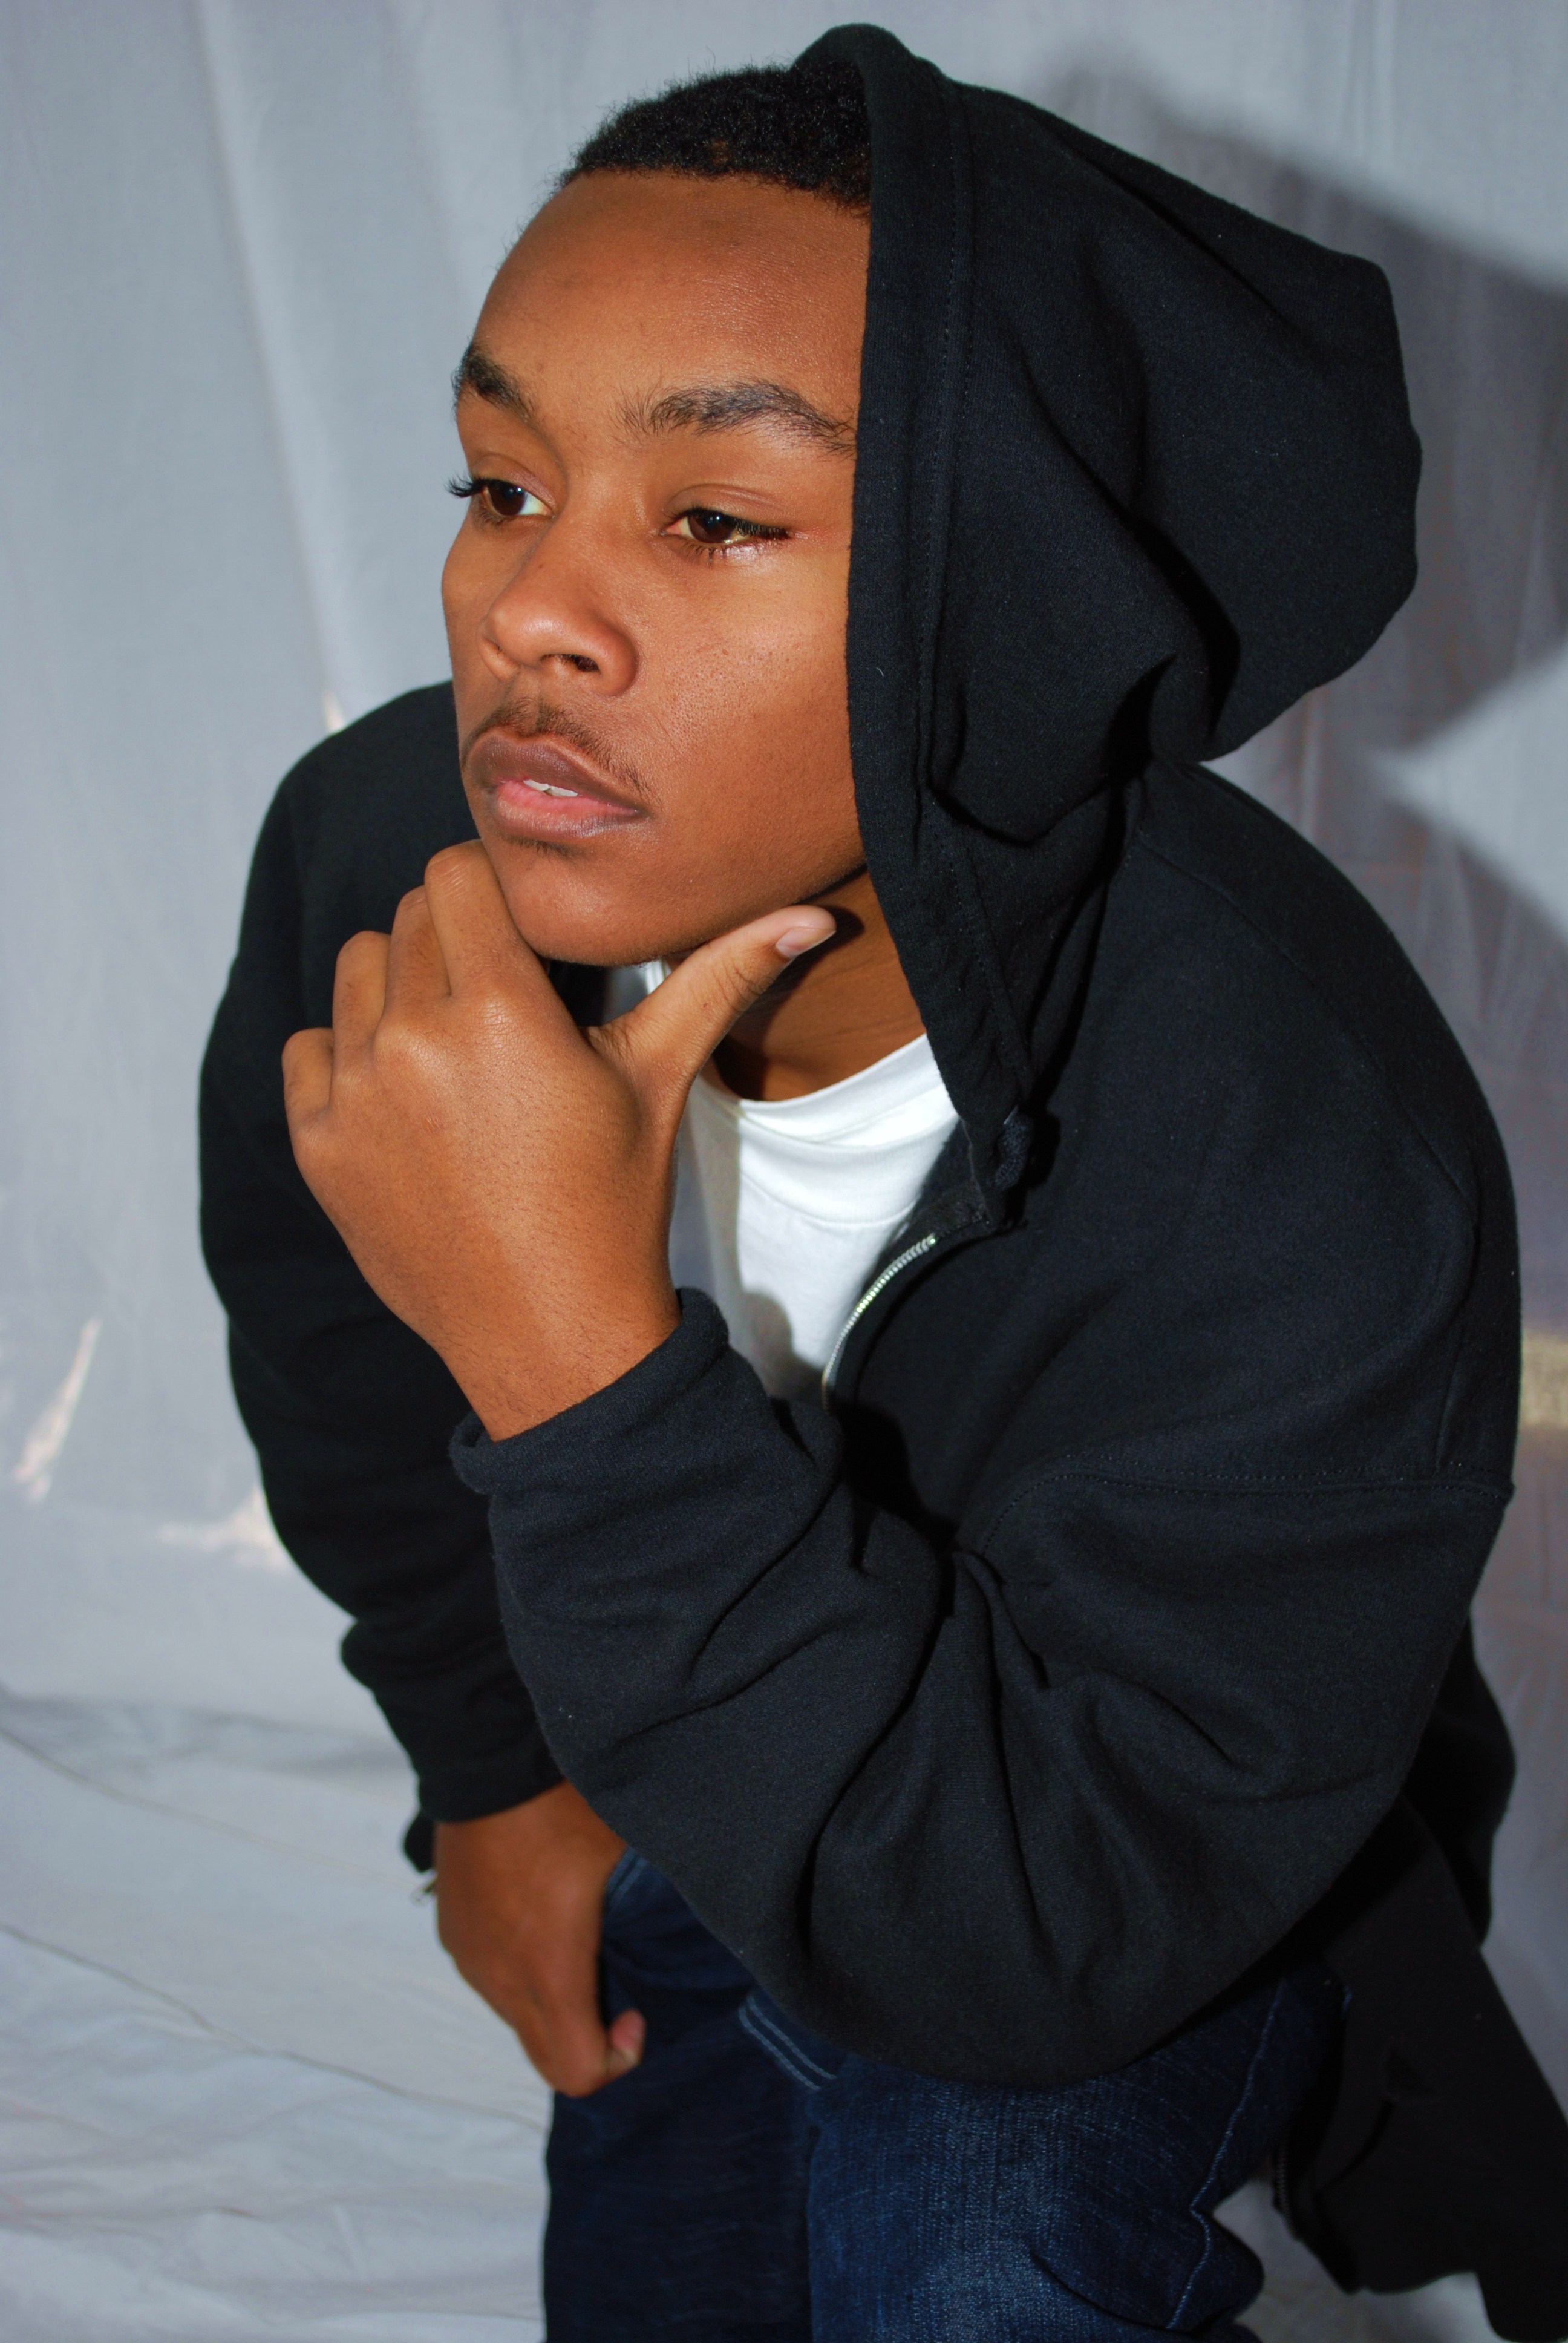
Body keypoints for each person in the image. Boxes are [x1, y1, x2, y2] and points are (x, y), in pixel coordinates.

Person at [200, 27, 1568, 2341]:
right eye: (501, 483)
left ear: (1003, 593)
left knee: (977, 2244)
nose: (529, 617)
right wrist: (497, 1772)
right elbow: (324, 1329)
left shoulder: (1306, 1160)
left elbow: (1041, 1931)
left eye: (715, 520)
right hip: (685, 1753)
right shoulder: (393, 870)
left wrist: (575, 1357)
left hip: (1084, 1871)